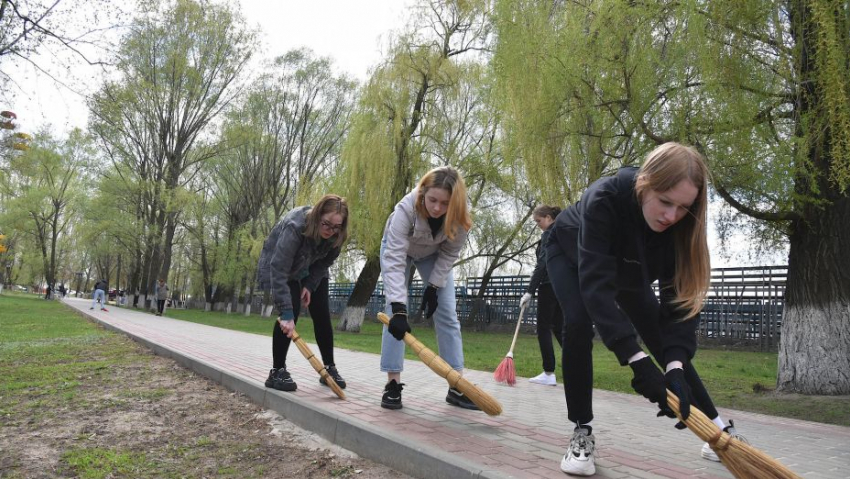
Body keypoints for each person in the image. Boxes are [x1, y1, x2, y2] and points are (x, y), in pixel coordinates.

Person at [546, 143, 745, 476]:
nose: (671, 216)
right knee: (578, 323)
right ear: (645, 183)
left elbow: (678, 308)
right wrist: (638, 363)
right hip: (570, 255)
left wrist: (675, 367)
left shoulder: (680, 226)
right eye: (665, 202)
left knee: (664, 342)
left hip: (628, 269)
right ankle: (582, 432)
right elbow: (597, 291)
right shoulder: (605, 198)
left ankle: (718, 431)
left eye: (683, 207)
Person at [379, 166, 476, 411]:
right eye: (432, 200)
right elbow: (394, 260)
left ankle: (456, 384)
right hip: (398, 250)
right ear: (423, 192)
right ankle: (392, 384)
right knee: (394, 314)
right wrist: (400, 308)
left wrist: (434, 286)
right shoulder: (406, 208)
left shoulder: (462, 216)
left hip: (433, 254)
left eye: (445, 203)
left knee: (447, 312)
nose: (436, 208)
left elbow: (450, 253)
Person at [257, 194, 349, 393]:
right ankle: (277, 371)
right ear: (317, 216)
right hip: (284, 268)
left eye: (336, 227)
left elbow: (324, 263)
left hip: (311, 267)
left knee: (322, 312)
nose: (330, 231)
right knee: (291, 312)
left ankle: (329, 368)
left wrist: (309, 285)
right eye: (326, 224)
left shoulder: (337, 236)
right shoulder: (296, 226)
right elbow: (279, 269)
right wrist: (286, 313)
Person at [520, 205, 563, 386]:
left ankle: (548, 372)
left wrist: (530, 291)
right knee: (560, 328)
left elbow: (542, 264)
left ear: (548, 217)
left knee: (543, 328)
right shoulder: (563, 232)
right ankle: (578, 367)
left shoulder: (548, 235)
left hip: (548, 285)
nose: (538, 225)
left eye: (538, 221)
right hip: (563, 286)